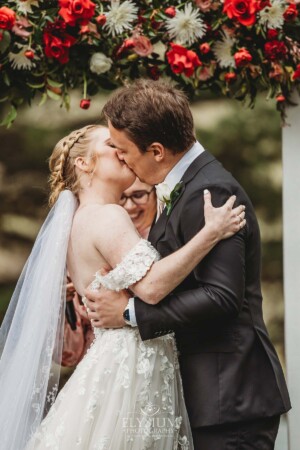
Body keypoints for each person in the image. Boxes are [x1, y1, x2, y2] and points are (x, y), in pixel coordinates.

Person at [0, 124, 245, 450]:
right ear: (84, 164)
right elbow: (153, 287)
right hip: (130, 366)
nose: (122, 150)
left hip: (118, 359)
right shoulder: (108, 216)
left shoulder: (78, 221)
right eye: (111, 145)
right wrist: (210, 233)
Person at [84, 80, 291, 450]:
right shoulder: (186, 186)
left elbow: (222, 296)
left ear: (157, 151)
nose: (122, 158)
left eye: (125, 150)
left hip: (230, 398)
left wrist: (130, 313)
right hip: (210, 396)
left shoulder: (210, 193)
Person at [61, 177, 157, 367]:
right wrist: (62, 304)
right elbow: (69, 354)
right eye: (122, 197)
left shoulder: (167, 244)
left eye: (138, 195)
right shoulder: (84, 251)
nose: (130, 205)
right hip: (102, 367)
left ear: (155, 194)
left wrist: (127, 312)